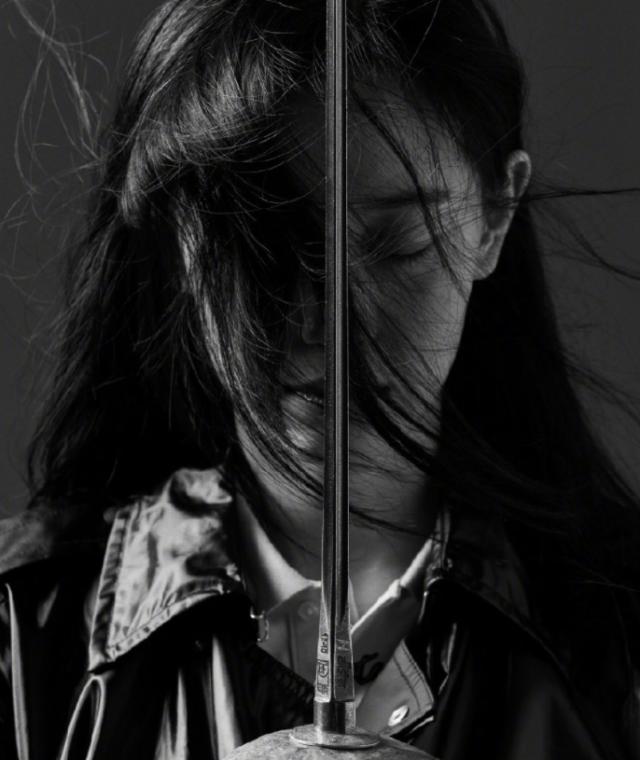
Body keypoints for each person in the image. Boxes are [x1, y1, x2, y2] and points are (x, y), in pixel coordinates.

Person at [0, 0, 639, 758]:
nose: (324, 325)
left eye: (398, 245)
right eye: (261, 245)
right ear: (179, 241)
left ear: (494, 214)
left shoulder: (620, 640)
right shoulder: (19, 629)